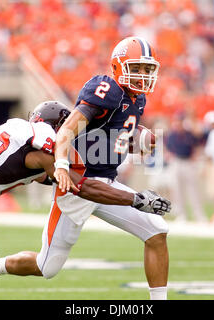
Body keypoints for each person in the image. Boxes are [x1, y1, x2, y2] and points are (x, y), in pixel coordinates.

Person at [0, 101, 171, 300]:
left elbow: (38, 171)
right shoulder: (43, 146)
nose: (71, 133)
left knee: (156, 231)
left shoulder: (16, 128)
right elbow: (77, 185)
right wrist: (135, 199)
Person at [50, 36, 169, 300]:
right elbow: (69, 128)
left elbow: (112, 137)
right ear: (117, 66)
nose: (142, 75)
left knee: (157, 232)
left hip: (107, 182)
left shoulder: (137, 100)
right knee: (46, 267)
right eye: (136, 68)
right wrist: (60, 164)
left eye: (147, 69)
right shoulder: (106, 88)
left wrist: (137, 141)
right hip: (78, 183)